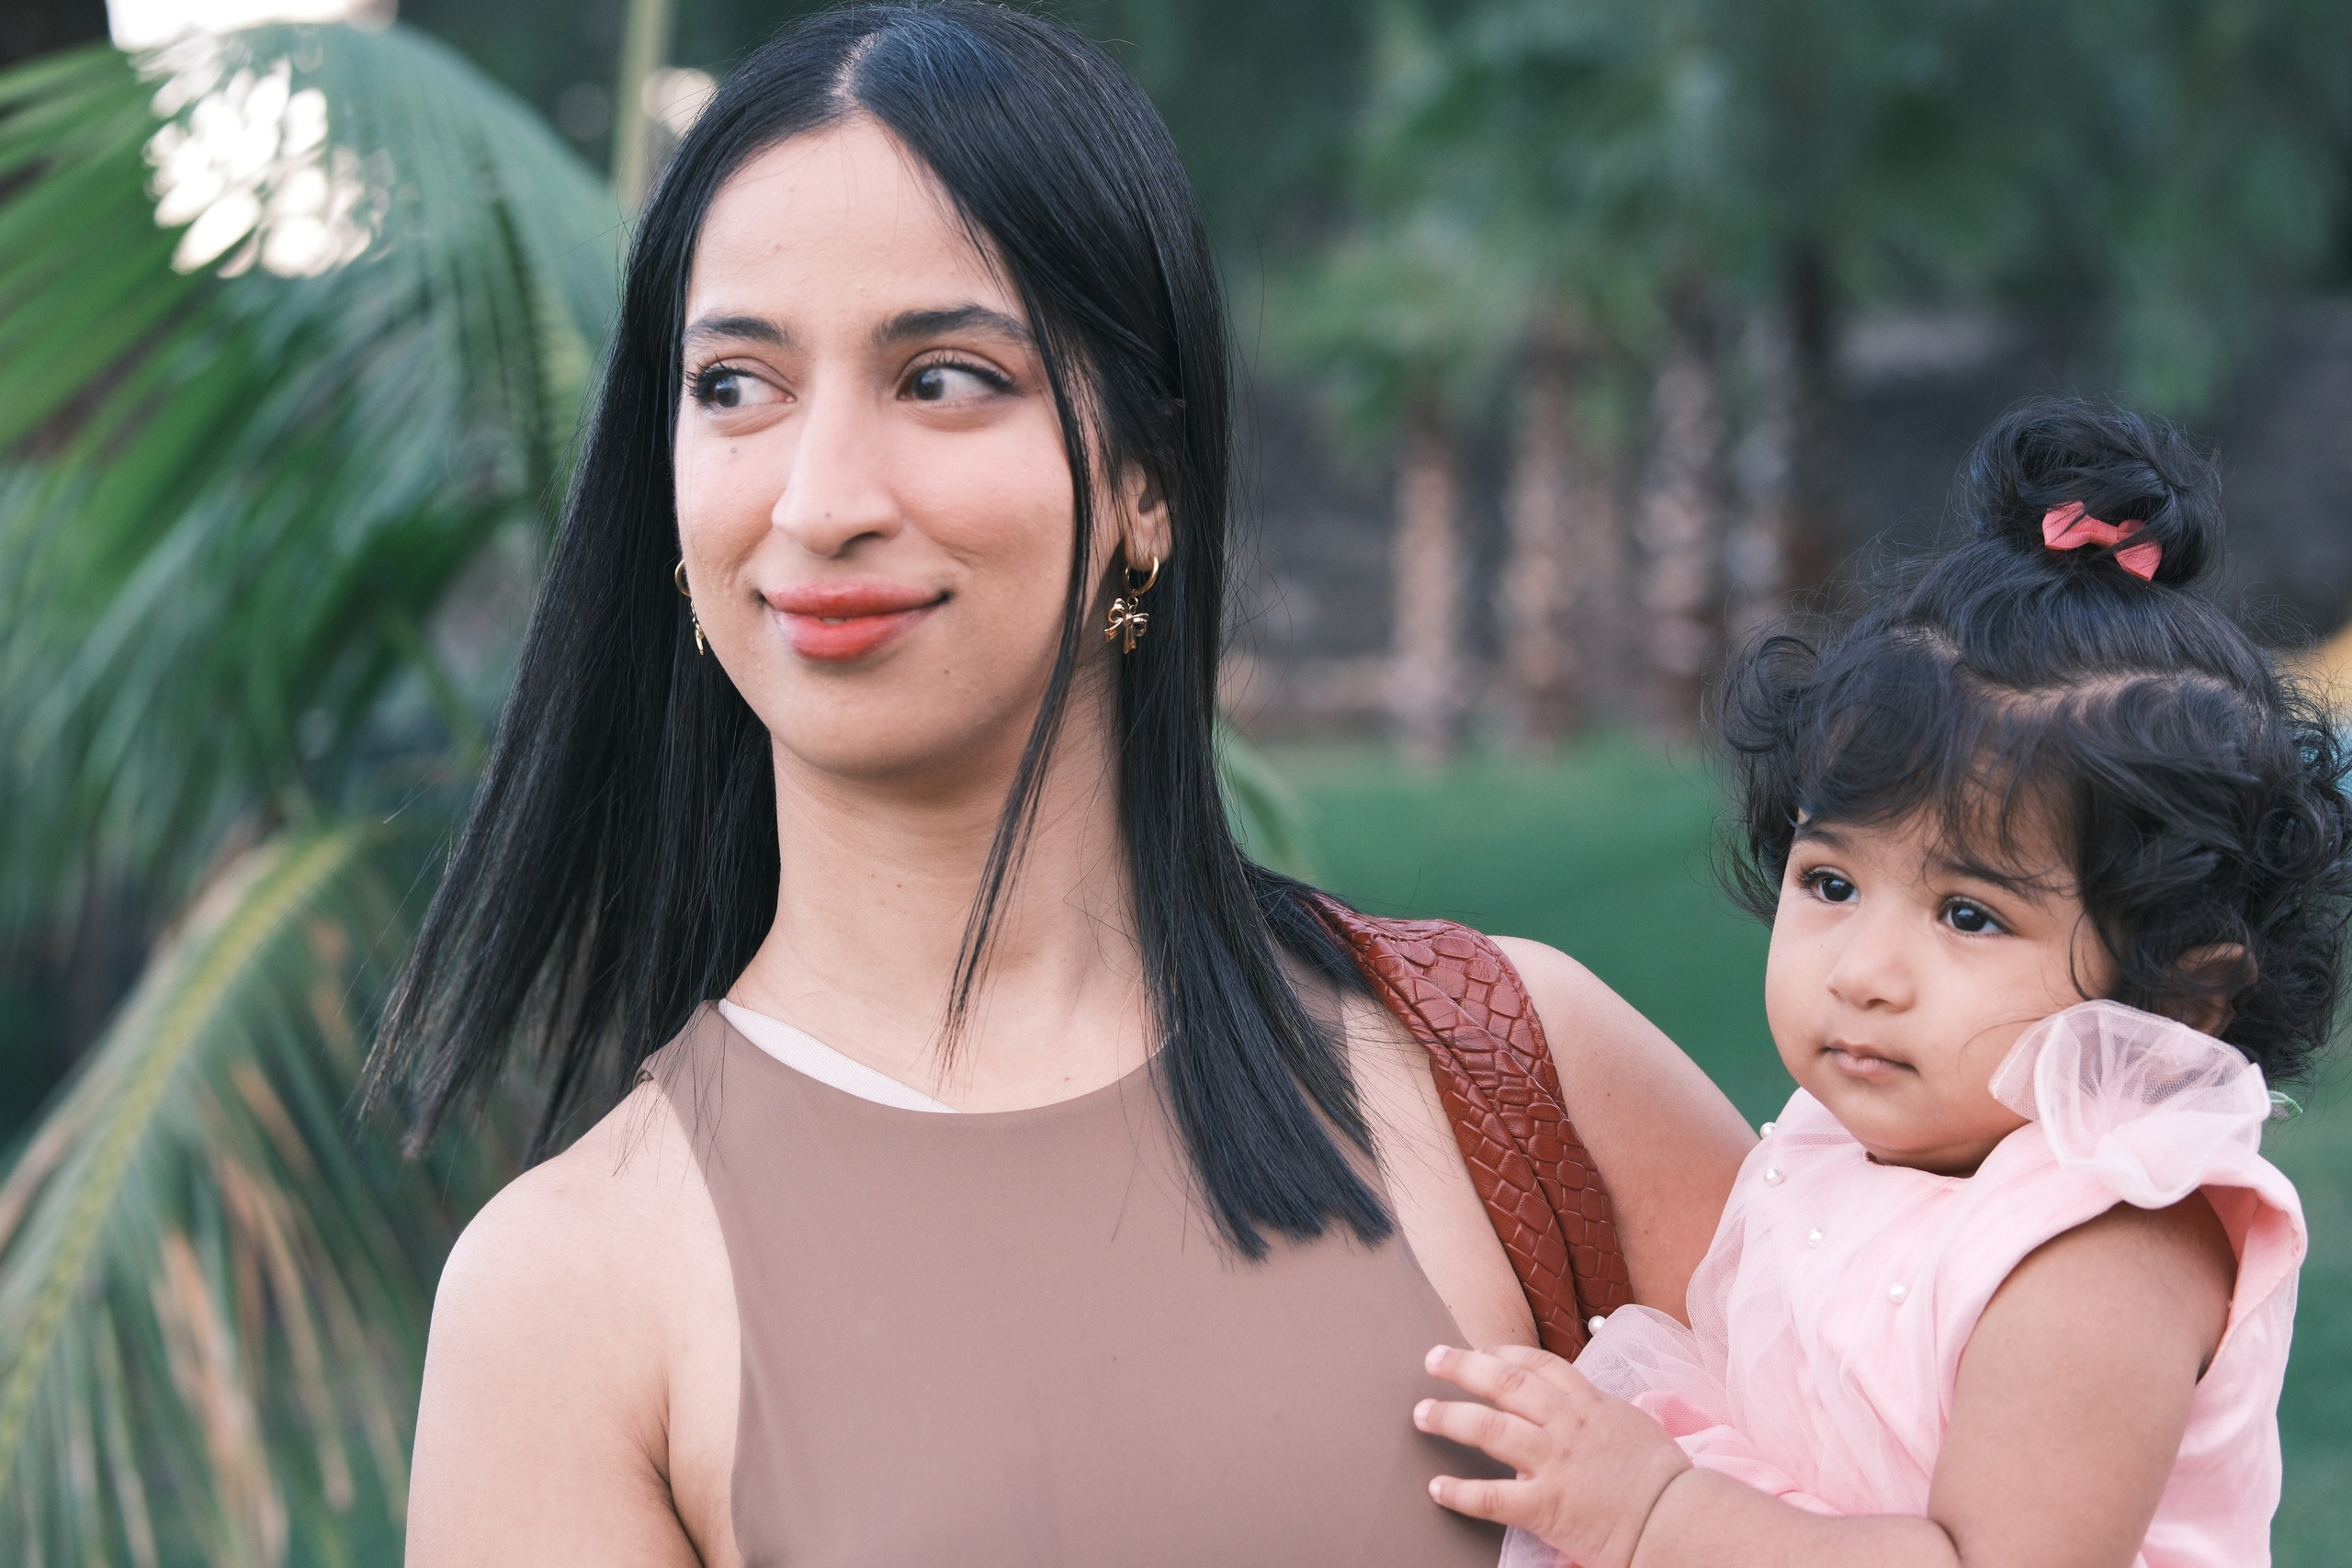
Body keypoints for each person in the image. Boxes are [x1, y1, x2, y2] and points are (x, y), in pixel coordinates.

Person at [369, 7, 1755, 1564]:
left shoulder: (1506, 1067)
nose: (819, 500)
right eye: (736, 387)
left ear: (1146, 486)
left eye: (946, 377)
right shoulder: (569, 1294)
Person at [1415, 400, 2347, 1568]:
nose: (1862, 973)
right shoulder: (1842, 1146)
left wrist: (1654, 1513)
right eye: (1831, 883)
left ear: (2172, 1000)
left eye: (1968, 914)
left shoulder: (2100, 1249)